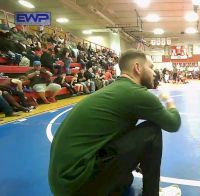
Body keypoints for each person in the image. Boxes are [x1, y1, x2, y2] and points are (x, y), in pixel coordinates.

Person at [48, 49, 181, 196]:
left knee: (126, 180)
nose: (154, 73)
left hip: (64, 183)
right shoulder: (136, 93)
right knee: (152, 131)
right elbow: (173, 123)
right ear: (138, 68)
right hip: (78, 183)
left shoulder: (114, 88)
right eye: (151, 67)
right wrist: (168, 100)